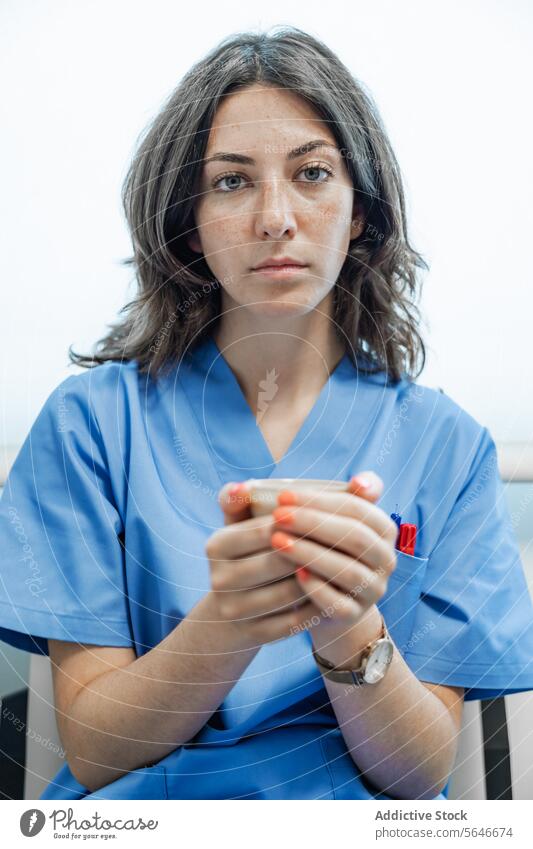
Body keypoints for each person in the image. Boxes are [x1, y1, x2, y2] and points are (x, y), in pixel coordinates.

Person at [1, 26, 533, 802]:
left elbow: (419, 775)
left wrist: (346, 623)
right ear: (187, 220)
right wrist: (230, 619)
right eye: (231, 182)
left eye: (312, 173)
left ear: (359, 212)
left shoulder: (447, 447)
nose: (275, 217)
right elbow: (95, 748)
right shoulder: (89, 426)